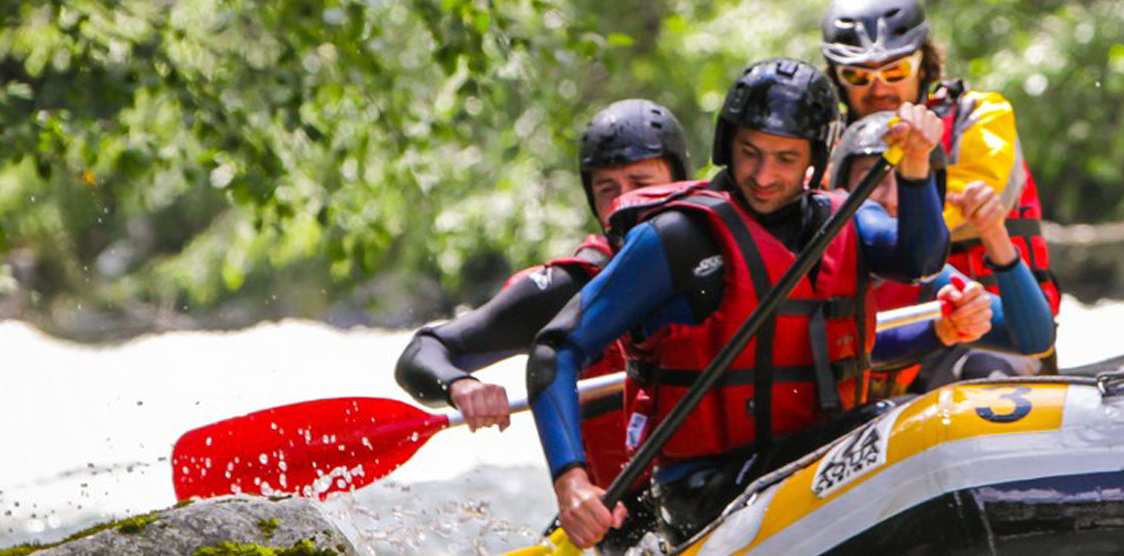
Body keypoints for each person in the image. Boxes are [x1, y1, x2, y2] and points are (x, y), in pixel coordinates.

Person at [525, 58, 951, 547]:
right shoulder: (678, 238)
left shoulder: (850, 219)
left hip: (818, 465)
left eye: (785, 159)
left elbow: (921, 260)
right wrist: (571, 480)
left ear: (816, 155)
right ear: (727, 144)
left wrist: (916, 166)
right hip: (705, 493)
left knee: (897, 427)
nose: (764, 175)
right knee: (881, 429)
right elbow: (554, 351)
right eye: (750, 153)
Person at [393, 99, 690, 550]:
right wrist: (460, 385)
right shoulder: (565, 287)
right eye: (607, 189)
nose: (623, 202)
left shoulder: (722, 253)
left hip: (719, 492)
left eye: (641, 183)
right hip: (614, 520)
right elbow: (423, 351)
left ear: (680, 181)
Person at [821, 0, 1061, 372]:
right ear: (837, 79)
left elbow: (928, 221)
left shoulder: (979, 117)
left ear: (923, 64)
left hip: (988, 332)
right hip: (885, 335)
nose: (879, 88)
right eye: (858, 77)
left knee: (982, 368)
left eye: (895, 70)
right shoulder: (827, 148)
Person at [828, 112, 1056, 396]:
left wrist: (994, 233)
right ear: (840, 188)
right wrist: (935, 332)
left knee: (984, 367)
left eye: (907, 180)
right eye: (875, 180)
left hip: (889, 422)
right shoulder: (817, 261)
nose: (894, 200)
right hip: (820, 428)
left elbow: (1035, 339)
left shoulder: (929, 273)